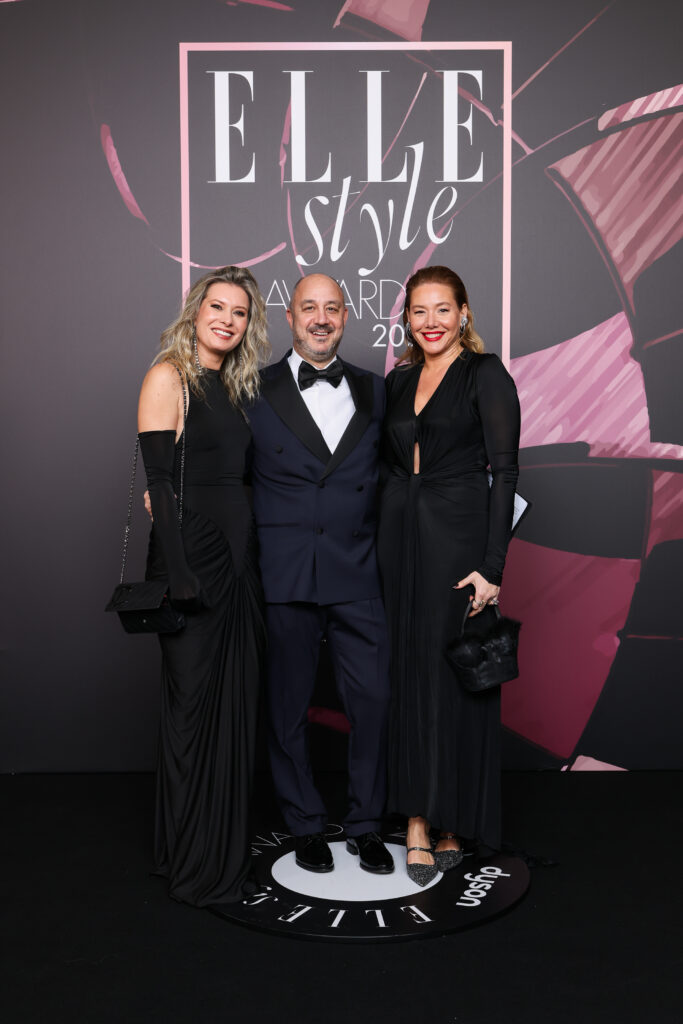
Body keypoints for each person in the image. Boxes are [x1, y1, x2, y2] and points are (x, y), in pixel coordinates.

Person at [246, 273, 394, 875]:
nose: (321, 318)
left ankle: (366, 823)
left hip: (359, 570)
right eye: (310, 307)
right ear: (289, 316)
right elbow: (224, 470)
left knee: (374, 702)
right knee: (287, 707)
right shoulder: (251, 389)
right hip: (286, 574)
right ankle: (305, 822)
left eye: (332, 308)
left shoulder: (377, 389)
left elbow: (406, 472)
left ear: (346, 316)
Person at [377, 265, 520, 885]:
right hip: (397, 543)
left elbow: (505, 473)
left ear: (464, 313)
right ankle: (415, 819)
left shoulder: (485, 374)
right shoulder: (398, 379)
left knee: (452, 678)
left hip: (458, 544)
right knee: (406, 674)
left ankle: (453, 820)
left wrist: (493, 567)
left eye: (442, 309)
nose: (430, 322)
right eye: (419, 311)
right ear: (407, 318)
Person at [137, 265, 270, 906]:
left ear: (248, 325)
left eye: (239, 312)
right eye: (217, 307)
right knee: (192, 713)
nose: (227, 320)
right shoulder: (169, 376)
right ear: (196, 310)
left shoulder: (235, 387)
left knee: (234, 712)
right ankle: (193, 863)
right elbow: (159, 483)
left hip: (241, 564)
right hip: (191, 562)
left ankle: (216, 851)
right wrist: (180, 572)